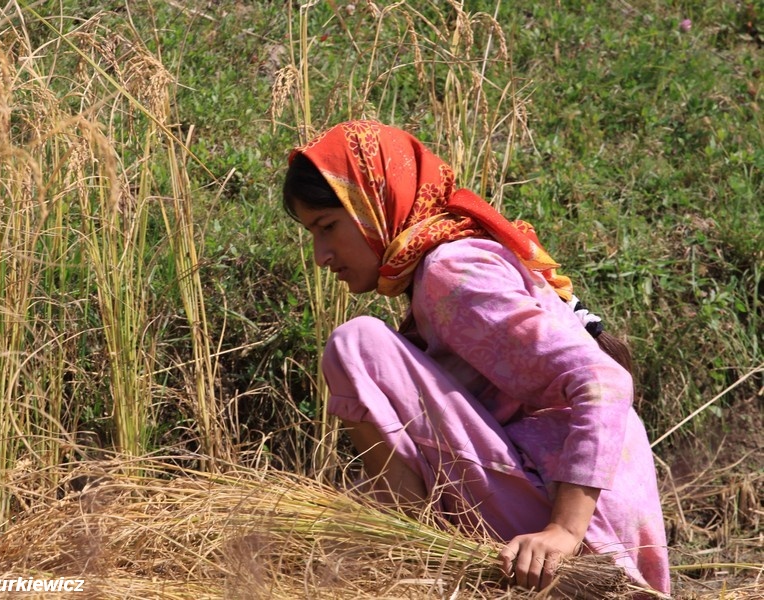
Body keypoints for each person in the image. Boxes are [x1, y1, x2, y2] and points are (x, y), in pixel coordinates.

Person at [281, 120, 670, 595]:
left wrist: (564, 531)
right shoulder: (442, 275)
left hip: (577, 529)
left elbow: (603, 380)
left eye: (327, 227)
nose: (321, 255)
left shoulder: (451, 271)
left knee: (357, 345)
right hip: (575, 513)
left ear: (373, 207)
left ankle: (409, 550)